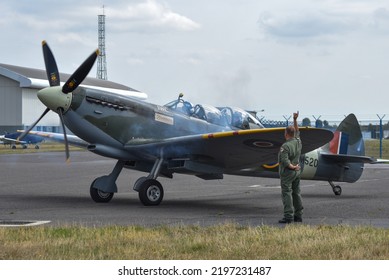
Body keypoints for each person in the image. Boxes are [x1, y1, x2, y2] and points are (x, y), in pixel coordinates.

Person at [278, 111, 303, 224]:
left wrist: (291, 166)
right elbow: (297, 131)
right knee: (296, 193)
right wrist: (295, 119)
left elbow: (284, 160)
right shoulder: (298, 141)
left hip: (288, 172)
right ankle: (298, 215)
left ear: (286, 134)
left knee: (287, 193)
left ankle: (288, 216)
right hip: (297, 171)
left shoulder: (285, 146)